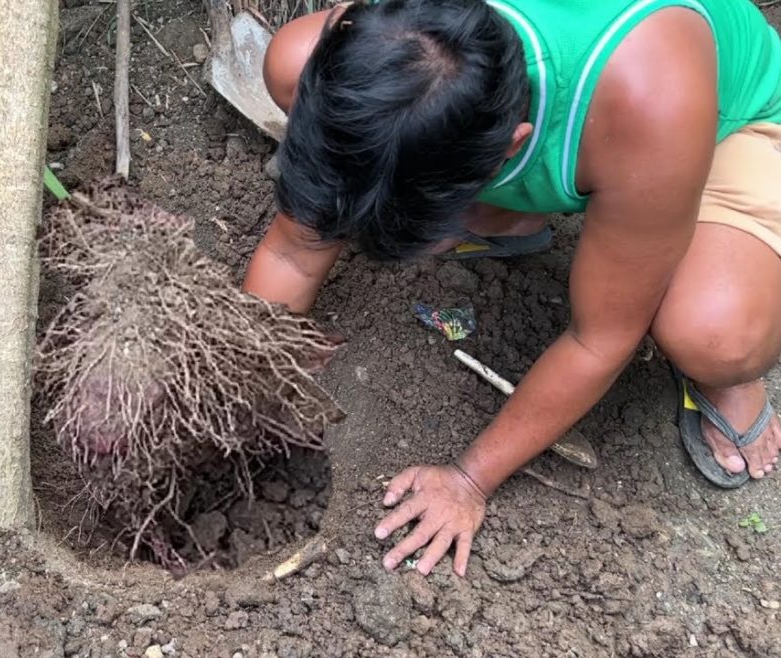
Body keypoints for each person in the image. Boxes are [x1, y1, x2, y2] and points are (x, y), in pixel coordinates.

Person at [242, 0, 781, 577]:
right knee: (290, 62)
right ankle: (521, 214)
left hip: (727, 122)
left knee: (715, 336)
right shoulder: (393, 43)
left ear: (510, 146)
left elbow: (600, 339)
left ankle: (724, 335)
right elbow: (294, 249)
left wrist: (469, 479)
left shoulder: (653, 105)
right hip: (579, 135)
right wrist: (243, 381)